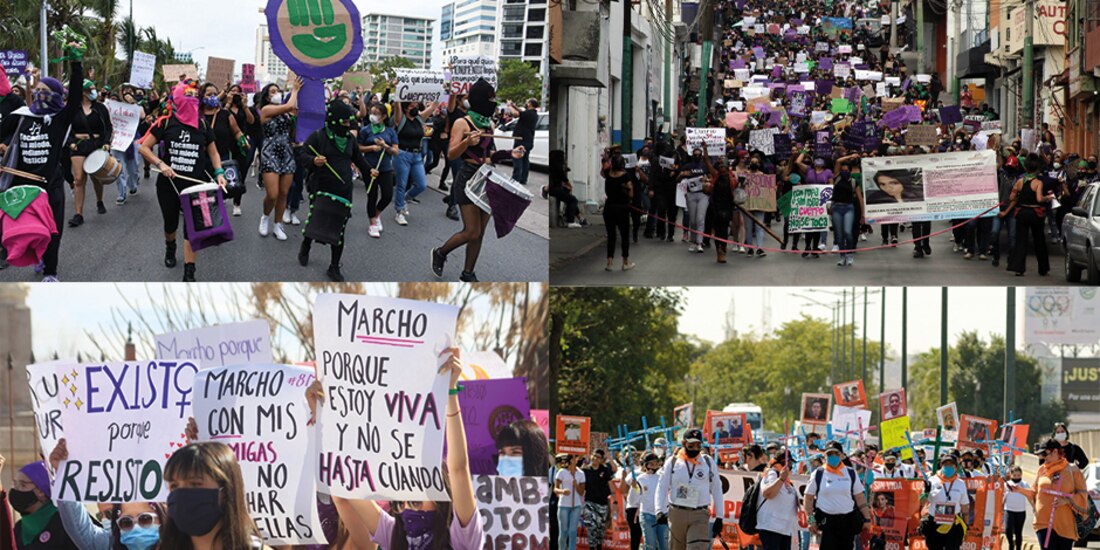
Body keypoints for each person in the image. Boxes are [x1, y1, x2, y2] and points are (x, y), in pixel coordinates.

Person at [305, 347, 484, 550]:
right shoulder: (394, 537)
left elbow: (459, 469)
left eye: (415, 501)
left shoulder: (462, 538)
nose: (407, 509)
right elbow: (344, 482)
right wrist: (324, 421)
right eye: (400, 503)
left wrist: (450, 392)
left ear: (442, 494)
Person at [0, 37, 86, 282]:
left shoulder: (60, 119)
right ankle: (36, 254)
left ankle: (51, 271)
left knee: (53, 228)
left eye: (45, 92)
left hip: (50, 184)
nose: (39, 95)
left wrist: (76, 62)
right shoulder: (22, 116)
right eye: (37, 91)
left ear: (57, 97)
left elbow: (76, 94)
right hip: (23, 184)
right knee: (25, 227)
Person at [431, 78, 525, 282]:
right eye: (489, 98)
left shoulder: (489, 123)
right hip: (467, 177)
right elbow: (451, 155)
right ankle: (441, 252)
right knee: (472, 231)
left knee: (480, 232)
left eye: (494, 98)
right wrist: (466, 141)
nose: (493, 102)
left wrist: (511, 154)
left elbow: (490, 155)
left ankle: (468, 273)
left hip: (486, 177)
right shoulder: (462, 122)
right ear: (479, 99)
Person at [137, 80, 229, 282]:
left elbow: (213, 153)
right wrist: (161, 164)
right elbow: (143, 147)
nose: (192, 102)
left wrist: (220, 173)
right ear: (177, 101)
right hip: (168, 186)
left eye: (194, 98)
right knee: (170, 225)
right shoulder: (165, 122)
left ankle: (190, 270)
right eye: (187, 98)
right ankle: (170, 247)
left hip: (195, 186)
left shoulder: (203, 125)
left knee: (192, 227)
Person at [298, 99, 377, 282]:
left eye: (349, 122)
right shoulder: (318, 136)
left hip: (344, 190)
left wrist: (369, 170)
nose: (348, 126)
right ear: (334, 120)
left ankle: (334, 266)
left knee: (339, 230)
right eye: (345, 122)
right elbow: (303, 155)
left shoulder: (350, 140)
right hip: (321, 189)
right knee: (316, 222)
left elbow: (359, 159)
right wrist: (313, 161)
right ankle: (306, 245)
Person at [47, 438, 163, 550]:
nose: (136, 528)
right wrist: (64, 474)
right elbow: (80, 529)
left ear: (163, 517)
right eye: (126, 523)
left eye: (145, 519)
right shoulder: (109, 546)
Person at [655, 428, 723, 550]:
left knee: (696, 547)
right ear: (683, 443)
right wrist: (659, 510)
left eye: (698, 445)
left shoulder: (708, 462)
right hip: (677, 513)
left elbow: (717, 488)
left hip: (700, 514)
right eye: (691, 445)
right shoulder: (673, 462)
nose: (695, 449)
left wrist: (720, 517)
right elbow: (662, 487)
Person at [803, 441, 872, 550]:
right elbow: (808, 498)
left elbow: (860, 497)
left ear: (842, 455)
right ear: (825, 456)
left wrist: (867, 519)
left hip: (847, 521)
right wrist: (811, 520)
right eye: (830, 454)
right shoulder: (818, 473)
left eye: (836, 454)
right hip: (826, 522)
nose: (833, 457)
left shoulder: (850, 473)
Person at [257, 79, 301, 241]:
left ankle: (277, 224)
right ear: (267, 97)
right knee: (273, 194)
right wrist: (295, 90)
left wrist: (296, 123)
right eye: (273, 92)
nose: (277, 94)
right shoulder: (266, 109)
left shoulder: (287, 113)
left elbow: (294, 135)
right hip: (270, 152)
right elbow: (290, 105)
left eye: (278, 91)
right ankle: (265, 216)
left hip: (287, 153)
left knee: (284, 193)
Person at [1028, 438, 1089, 550]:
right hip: (1043, 522)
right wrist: (1019, 490)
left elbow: (1082, 495)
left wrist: (1066, 500)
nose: (1043, 457)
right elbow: (1034, 492)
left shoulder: (1073, 469)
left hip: (1065, 523)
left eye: (1045, 453)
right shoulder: (1042, 470)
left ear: (1055, 451)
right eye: (1041, 454)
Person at [68, 79, 113, 227]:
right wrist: (71, 142)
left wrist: (106, 143)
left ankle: (99, 201)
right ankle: (78, 214)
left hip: (96, 144)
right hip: (79, 146)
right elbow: (65, 127)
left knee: (96, 177)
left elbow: (108, 127)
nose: (95, 91)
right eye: (91, 89)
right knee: (79, 179)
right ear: (83, 92)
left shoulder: (100, 108)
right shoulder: (72, 108)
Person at [8, 460, 79, 550]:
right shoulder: (19, 528)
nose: (16, 490)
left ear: (41, 491)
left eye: (22, 485)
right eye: (15, 484)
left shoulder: (66, 521)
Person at [391, 97, 437, 226]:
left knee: (421, 185)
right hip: (402, 154)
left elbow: (433, 106)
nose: (414, 107)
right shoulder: (400, 119)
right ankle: (399, 211)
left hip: (417, 156)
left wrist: (442, 90)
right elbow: (397, 105)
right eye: (411, 106)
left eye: (416, 105)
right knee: (402, 184)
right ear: (405, 107)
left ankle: (405, 199)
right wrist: (398, 90)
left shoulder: (419, 118)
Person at [1006, 153, 1054, 276]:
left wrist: (1016, 194)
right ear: (1037, 169)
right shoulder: (1038, 182)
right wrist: (1047, 198)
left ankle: (1018, 268)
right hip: (1035, 213)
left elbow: (1011, 197)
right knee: (1039, 240)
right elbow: (1039, 199)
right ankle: (1043, 268)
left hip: (1022, 213)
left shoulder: (1020, 181)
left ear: (1026, 168)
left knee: (1021, 241)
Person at [358, 102, 399, 239]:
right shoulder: (365, 130)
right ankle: (373, 223)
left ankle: (377, 213)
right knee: (372, 195)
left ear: (383, 116)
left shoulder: (390, 131)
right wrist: (371, 148)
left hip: (386, 168)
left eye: (376, 114)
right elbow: (358, 148)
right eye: (371, 113)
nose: (372, 116)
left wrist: (384, 146)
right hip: (369, 168)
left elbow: (395, 152)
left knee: (387, 195)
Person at [920, 452, 969, 550]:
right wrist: (925, 492)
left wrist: (966, 526)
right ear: (941, 466)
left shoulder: (960, 483)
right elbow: (923, 503)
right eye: (946, 464)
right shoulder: (932, 480)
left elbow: (965, 507)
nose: (948, 467)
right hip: (934, 524)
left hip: (953, 525)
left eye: (951, 465)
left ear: (956, 467)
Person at [599, 151, 636, 272]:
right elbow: (631, 194)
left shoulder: (608, 174)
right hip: (622, 208)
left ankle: (609, 262)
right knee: (625, 235)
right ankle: (625, 262)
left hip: (609, 207)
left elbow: (603, 169)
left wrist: (605, 159)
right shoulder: (625, 176)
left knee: (611, 236)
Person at [759, 449, 800, 550]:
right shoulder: (772, 473)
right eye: (788, 463)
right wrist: (781, 479)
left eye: (791, 464)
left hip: (785, 529)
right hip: (772, 528)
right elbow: (767, 493)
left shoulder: (788, 481)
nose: (790, 467)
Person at [831, 159, 866, 267]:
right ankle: (842, 256)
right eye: (842, 170)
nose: (844, 172)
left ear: (850, 172)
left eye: (846, 170)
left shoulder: (853, 182)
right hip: (837, 207)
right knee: (839, 234)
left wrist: (863, 215)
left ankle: (849, 254)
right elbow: (837, 162)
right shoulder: (836, 178)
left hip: (848, 208)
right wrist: (850, 156)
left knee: (848, 231)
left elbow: (860, 199)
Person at [582, 449, 618, 550]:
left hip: (602, 503)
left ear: (602, 460)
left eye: (598, 457)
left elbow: (611, 486)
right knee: (590, 525)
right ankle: (591, 547)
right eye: (594, 456)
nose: (595, 459)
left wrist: (615, 500)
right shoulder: (585, 470)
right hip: (589, 502)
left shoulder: (605, 470)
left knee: (600, 527)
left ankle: (598, 545)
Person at [555, 454, 586, 550]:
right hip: (563, 505)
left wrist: (576, 485)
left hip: (576, 506)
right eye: (572, 457)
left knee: (573, 532)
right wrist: (562, 491)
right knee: (563, 531)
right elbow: (555, 489)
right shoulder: (562, 472)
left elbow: (581, 492)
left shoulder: (581, 473)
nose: (574, 459)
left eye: (575, 457)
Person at [548, 150, 585, 228]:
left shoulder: (552, 165)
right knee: (573, 199)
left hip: (554, 188)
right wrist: (568, 184)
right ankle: (570, 221)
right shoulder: (557, 166)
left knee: (569, 197)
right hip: (554, 189)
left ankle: (580, 218)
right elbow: (562, 177)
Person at [508, 99, 539, 186]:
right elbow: (521, 111)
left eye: (527, 102)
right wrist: (514, 106)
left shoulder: (528, 114)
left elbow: (516, 114)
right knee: (525, 160)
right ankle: (523, 178)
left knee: (517, 158)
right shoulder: (533, 114)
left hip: (521, 140)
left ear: (529, 104)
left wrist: (509, 106)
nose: (526, 103)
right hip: (528, 140)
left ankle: (515, 179)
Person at [1002, 465, 1032, 550]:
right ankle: (1011, 544)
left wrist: (1034, 507)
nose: (1017, 477)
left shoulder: (1024, 484)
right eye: (1014, 475)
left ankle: (1018, 547)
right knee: (1008, 530)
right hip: (1009, 510)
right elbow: (1003, 498)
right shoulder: (1006, 485)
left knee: (1018, 532)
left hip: (1021, 511)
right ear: (1011, 475)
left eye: (1018, 475)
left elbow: (1029, 496)